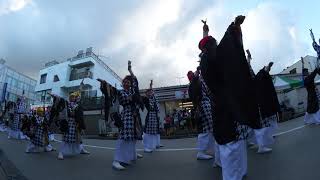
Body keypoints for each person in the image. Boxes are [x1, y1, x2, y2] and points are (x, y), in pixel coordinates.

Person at [201, 16, 260, 179]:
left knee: (238, 143)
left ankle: (240, 173)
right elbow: (222, 49)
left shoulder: (209, 59)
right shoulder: (209, 62)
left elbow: (213, 47)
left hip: (227, 107)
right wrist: (233, 27)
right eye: (214, 44)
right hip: (224, 109)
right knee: (230, 146)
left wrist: (206, 32)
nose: (217, 46)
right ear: (209, 49)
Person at [112, 61, 143, 170]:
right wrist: (133, 99)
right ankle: (116, 160)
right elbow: (126, 101)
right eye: (124, 82)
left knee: (132, 137)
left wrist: (130, 70)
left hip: (134, 116)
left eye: (128, 82)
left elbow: (135, 80)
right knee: (123, 137)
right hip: (126, 115)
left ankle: (126, 158)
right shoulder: (121, 92)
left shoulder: (131, 91)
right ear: (122, 83)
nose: (126, 83)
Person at [250, 62, 281, 153]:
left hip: (255, 105)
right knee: (260, 127)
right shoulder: (255, 79)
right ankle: (261, 146)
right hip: (257, 106)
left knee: (258, 127)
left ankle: (259, 144)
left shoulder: (255, 79)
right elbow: (259, 75)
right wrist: (266, 69)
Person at [50, 92, 89, 160]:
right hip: (68, 122)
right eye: (71, 97)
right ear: (69, 97)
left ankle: (81, 149)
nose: (72, 98)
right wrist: (55, 96)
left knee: (78, 138)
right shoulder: (66, 104)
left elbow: (80, 116)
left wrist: (82, 125)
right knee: (65, 138)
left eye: (74, 97)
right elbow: (60, 100)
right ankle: (61, 152)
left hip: (76, 123)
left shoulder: (78, 105)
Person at [187, 70, 215, 160]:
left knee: (209, 129)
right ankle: (201, 152)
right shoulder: (192, 85)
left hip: (205, 105)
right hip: (202, 106)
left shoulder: (198, 82)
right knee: (205, 130)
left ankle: (207, 150)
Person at [142, 81, 161, 152]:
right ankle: (146, 146)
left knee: (154, 131)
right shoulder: (145, 99)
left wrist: (151, 85)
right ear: (146, 94)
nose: (151, 93)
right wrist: (150, 86)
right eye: (149, 92)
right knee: (147, 131)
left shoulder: (153, 98)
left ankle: (152, 145)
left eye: (151, 92)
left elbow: (152, 91)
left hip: (154, 115)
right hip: (150, 115)